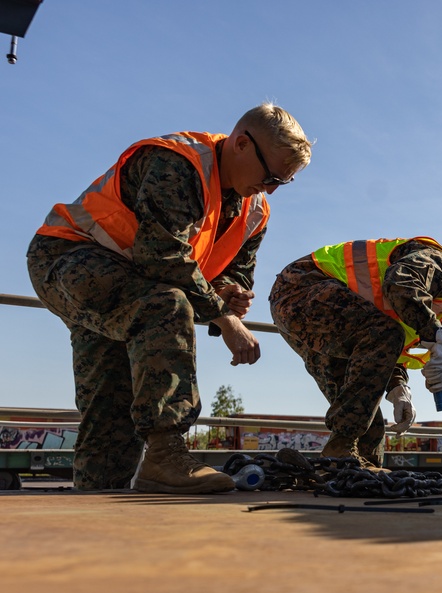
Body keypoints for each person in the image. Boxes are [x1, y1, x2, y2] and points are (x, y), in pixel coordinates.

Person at [26, 103, 313, 493]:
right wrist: (224, 318)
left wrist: (228, 292)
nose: (272, 189)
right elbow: (161, 256)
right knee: (164, 305)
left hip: (132, 284)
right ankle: (166, 453)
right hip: (71, 257)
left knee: (112, 405)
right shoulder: (179, 163)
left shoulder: (255, 209)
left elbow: (235, 270)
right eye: (271, 176)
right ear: (242, 145)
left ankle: (98, 509)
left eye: (284, 182)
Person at [269, 237, 442, 469]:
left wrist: (399, 390)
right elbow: (399, 283)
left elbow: (384, 351)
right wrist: (434, 335)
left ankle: (353, 470)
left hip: (330, 320)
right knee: (383, 339)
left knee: (368, 420)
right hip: (301, 287)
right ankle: (339, 450)